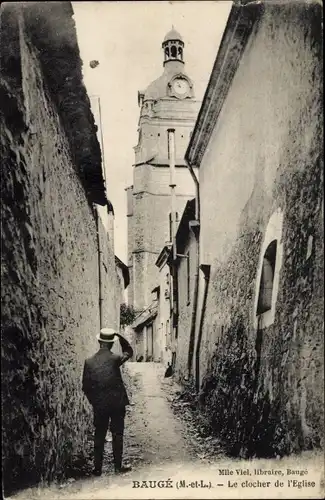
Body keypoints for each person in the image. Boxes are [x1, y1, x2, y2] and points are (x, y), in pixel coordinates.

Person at [82, 327, 134, 476]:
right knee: (117, 433)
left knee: (99, 434)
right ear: (111, 344)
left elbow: (85, 387)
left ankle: (97, 468)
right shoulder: (115, 359)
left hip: (100, 405)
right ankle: (118, 466)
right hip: (117, 403)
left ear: (99, 342)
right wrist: (120, 336)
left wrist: (95, 402)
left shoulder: (89, 362)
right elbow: (129, 351)